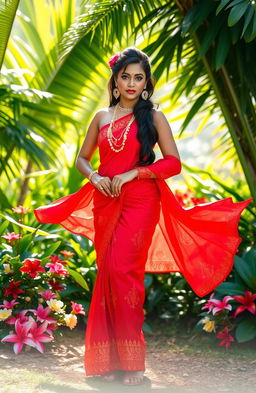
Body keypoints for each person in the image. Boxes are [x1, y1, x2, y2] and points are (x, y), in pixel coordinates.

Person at [34, 47, 253, 386]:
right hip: (106, 200)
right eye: (125, 76)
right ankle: (107, 361)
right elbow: (82, 159)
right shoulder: (101, 117)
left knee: (124, 272)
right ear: (115, 80)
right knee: (108, 272)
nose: (131, 83)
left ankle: (133, 363)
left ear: (146, 82)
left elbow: (173, 163)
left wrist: (135, 173)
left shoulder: (154, 118)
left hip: (141, 202)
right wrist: (94, 177)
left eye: (138, 77)